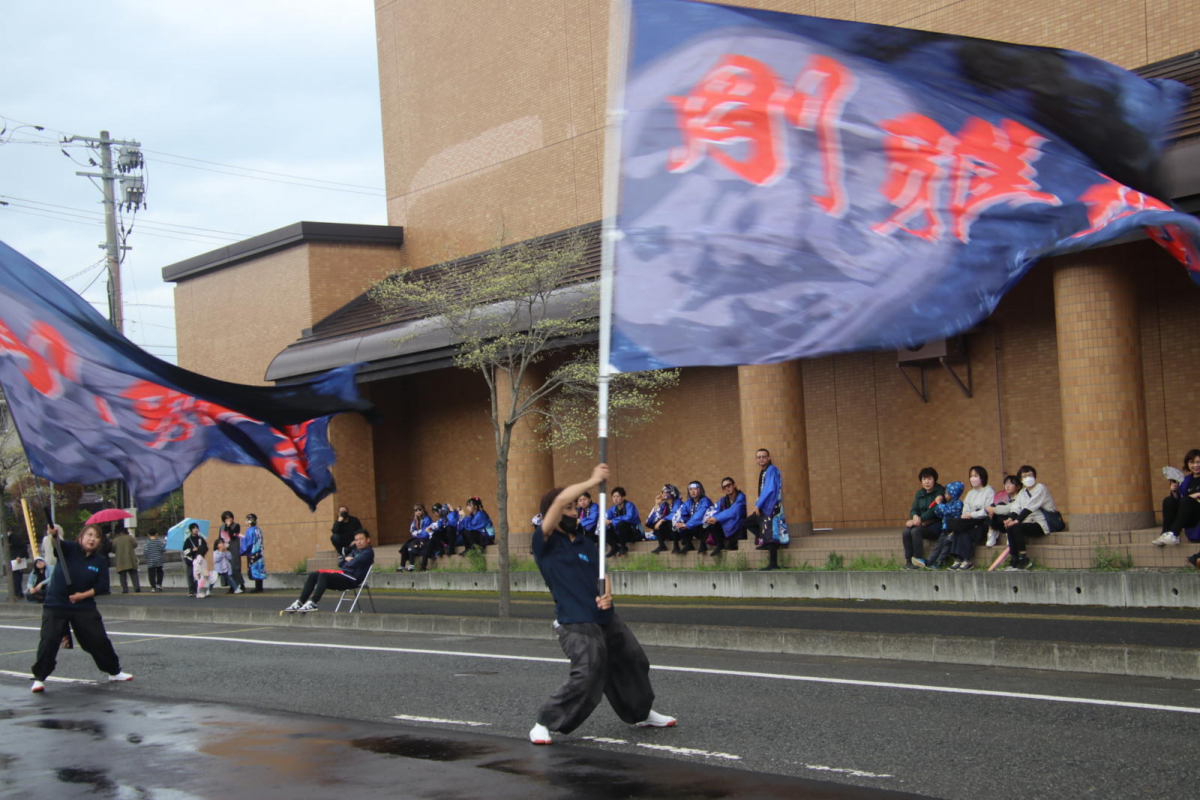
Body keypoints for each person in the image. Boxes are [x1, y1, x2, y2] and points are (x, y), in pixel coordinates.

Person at [528, 463, 676, 745]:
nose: (574, 512)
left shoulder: (585, 543)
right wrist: (593, 480)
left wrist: (607, 594)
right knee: (589, 671)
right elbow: (558, 500)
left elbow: (603, 573)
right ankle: (544, 721)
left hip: (605, 617)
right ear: (553, 514)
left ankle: (641, 712)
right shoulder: (544, 543)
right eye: (569, 508)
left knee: (634, 660)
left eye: (576, 508)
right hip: (576, 621)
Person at [30, 524, 133, 693]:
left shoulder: (99, 561)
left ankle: (114, 671)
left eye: (97, 537)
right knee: (49, 640)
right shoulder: (69, 549)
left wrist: (81, 596)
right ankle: (39, 678)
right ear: (81, 537)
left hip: (83, 606)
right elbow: (58, 544)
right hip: (56, 604)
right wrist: (54, 535)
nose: (92, 539)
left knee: (97, 640)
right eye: (89, 535)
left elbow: (102, 587)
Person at [284, 530, 375, 613]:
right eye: (356, 540)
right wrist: (347, 559)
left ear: (368, 539)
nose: (358, 542)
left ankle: (313, 602)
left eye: (361, 539)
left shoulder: (368, 552)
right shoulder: (355, 551)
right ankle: (300, 602)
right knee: (314, 575)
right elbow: (340, 563)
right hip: (343, 576)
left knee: (324, 575)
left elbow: (352, 564)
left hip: (352, 580)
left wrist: (349, 560)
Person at [1001, 465, 1058, 571]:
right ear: (1021, 479)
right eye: (1024, 476)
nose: (1027, 478)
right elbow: (1016, 507)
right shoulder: (1022, 492)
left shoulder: (1040, 488)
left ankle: (1024, 559)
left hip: (1042, 523)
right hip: (1028, 521)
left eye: (1029, 475)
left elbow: (1030, 507)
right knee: (1010, 527)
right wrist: (1010, 519)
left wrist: (1017, 521)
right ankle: (1014, 559)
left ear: (1034, 476)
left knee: (1017, 527)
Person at [946, 466, 995, 570]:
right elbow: (965, 509)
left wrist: (971, 514)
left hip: (982, 522)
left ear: (982, 477)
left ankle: (967, 560)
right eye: (971, 476)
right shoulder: (970, 493)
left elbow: (987, 510)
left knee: (964, 532)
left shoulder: (989, 491)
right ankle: (958, 559)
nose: (973, 478)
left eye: (975, 476)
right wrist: (966, 515)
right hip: (969, 521)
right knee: (957, 528)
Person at [746, 448, 787, 570]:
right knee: (748, 522)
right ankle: (764, 541)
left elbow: (769, 489)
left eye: (764, 456)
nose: (761, 459)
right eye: (759, 457)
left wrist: (758, 505)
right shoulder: (764, 471)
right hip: (765, 505)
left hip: (771, 506)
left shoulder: (771, 469)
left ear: (769, 458)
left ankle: (773, 564)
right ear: (756, 459)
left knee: (771, 532)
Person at [1154, 449, 1200, 546]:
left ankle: (1174, 533)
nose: (1195, 465)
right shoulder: (1185, 480)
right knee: (1168, 501)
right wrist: (1174, 491)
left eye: (1198, 462)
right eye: (1192, 462)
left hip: (1197, 514)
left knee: (1187, 500)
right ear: (1187, 464)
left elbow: (1186, 499)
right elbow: (1179, 499)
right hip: (1186, 515)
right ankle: (1166, 533)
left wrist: (1193, 496)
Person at [901, 467, 945, 570]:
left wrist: (918, 519)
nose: (927, 482)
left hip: (935, 524)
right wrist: (914, 516)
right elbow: (914, 509)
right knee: (906, 532)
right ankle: (909, 561)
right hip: (921, 523)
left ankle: (917, 560)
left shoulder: (939, 492)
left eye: (929, 479)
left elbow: (933, 511)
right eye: (924, 479)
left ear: (934, 480)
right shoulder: (919, 493)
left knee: (915, 531)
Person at [921, 481, 964, 569]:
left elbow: (947, 511)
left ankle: (939, 562)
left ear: (953, 494)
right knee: (938, 545)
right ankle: (930, 560)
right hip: (945, 529)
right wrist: (938, 505)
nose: (945, 495)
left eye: (947, 493)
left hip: (952, 530)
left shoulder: (958, 504)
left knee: (946, 547)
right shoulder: (948, 503)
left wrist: (939, 504)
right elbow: (939, 513)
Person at [705, 477, 746, 558]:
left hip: (739, 528)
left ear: (734, 485)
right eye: (724, 487)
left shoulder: (741, 497)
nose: (727, 488)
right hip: (728, 528)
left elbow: (734, 511)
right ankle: (720, 545)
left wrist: (717, 518)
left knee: (731, 546)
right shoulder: (723, 500)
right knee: (711, 524)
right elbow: (714, 510)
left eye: (728, 485)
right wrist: (709, 518)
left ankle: (731, 543)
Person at [674, 482, 713, 555]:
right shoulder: (688, 503)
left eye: (695, 489)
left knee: (702, 523)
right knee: (681, 523)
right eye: (690, 489)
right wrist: (680, 523)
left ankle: (703, 545)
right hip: (693, 528)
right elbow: (682, 513)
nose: (692, 491)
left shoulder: (705, 501)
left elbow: (700, 515)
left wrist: (687, 525)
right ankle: (688, 545)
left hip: (706, 530)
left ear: (700, 490)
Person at [604, 487, 640, 558]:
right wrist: (605, 521)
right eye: (614, 497)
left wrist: (613, 521)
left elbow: (629, 517)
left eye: (618, 496)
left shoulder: (629, 505)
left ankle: (623, 546)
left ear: (623, 497)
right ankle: (614, 547)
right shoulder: (613, 509)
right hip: (619, 534)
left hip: (632, 532)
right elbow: (606, 516)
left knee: (621, 524)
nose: (615, 499)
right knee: (604, 527)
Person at [418, 503, 456, 570]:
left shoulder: (452, 515)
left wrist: (452, 510)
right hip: (443, 537)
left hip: (452, 537)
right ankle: (423, 565)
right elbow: (437, 525)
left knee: (434, 536)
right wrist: (431, 528)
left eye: (435, 512)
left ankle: (445, 550)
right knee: (432, 538)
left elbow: (451, 523)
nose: (436, 514)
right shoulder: (442, 519)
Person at [647, 485, 683, 554]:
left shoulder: (678, 502)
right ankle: (662, 545)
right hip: (670, 533)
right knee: (656, 523)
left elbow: (674, 515)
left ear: (670, 493)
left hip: (680, 532)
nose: (661, 494)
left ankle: (676, 546)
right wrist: (657, 504)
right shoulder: (664, 505)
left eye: (663, 492)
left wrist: (661, 520)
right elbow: (651, 521)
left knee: (671, 522)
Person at [985, 475, 1019, 548]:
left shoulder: (1020, 497)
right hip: (1005, 522)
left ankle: (996, 531)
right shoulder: (1008, 499)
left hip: (1016, 521)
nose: (1007, 486)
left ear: (1018, 486)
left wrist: (993, 509)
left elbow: (1009, 508)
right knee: (995, 507)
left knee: (999, 506)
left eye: (1010, 484)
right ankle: (992, 531)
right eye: (1006, 484)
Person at [218, 511, 245, 593]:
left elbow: (233, 536)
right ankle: (232, 586)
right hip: (226, 549)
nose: (228, 520)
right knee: (227, 567)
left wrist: (229, 526)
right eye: (226, 518)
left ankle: (241, 584)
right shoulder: (222, 527)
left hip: (234, 548)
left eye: (229, 517)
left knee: (235, 567)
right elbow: (220, 538)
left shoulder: (236, 525)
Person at [400, 504, 432, 571]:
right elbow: (412, 531)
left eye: (419, 509)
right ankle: (402, 565)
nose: (418, 511)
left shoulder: (427, 519)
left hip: (425, 539)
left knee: (412, 545)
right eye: (416, 510)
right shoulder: (415, 521)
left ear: (423, 510)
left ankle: (412, 565)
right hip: (417, 538)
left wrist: (417, 533)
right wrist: (419, 532)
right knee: (406, 545)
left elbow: (425, 533)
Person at [182, 523, 209, 598]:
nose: (196, 530)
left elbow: (206, 548)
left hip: (199, 559)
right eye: (194, 528)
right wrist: (192, 550)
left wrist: (200, 549)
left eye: (197, 528)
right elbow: (184, 551)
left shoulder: (200, 539)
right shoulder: (188, 540)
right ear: (191, 530)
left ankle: (198, 589)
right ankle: (191, 590)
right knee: (190, 574)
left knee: (199, 575)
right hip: (191, 560)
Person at [111, 527, 141, 594]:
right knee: (133, 574)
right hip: (130, 558)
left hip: (120, 560)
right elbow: (135, 545)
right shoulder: (129, 537)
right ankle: (137, 587)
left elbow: (112, 549)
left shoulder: (115, 540)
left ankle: (124, 589)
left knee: (122, 576)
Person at [241, 513, 266, 592]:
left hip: (253, 552)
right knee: (259, 568)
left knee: (254, 568)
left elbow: (248, 543)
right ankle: (260, 587)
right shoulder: (259, 530)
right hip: (260, 552)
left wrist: (241, 550)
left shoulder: (250, 530)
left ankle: (258, 588)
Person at [7, 528, 30, 599]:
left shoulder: (14, 537)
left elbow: (23, 546)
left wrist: (19, 556)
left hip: (17, 559)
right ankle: (17, 592)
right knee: (15, 576)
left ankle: (18, 593)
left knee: (17, 576)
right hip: (14, 559)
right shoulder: (10, 538)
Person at [142, 528, 166, 592]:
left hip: (150, 561)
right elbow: (163, 549)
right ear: (156, 534)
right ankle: (159, 584)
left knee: (151, 574)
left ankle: (153, 586)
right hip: (159, 560)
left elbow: (145, 552)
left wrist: (146, 557)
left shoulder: (147, 543)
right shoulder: (159, 542)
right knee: (159, 571)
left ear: (148, 535)